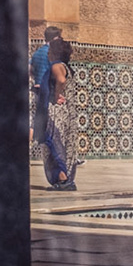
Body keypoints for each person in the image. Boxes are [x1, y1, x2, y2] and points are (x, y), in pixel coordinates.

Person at [42, 37, 79, 190]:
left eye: (50, 50)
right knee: (63, 143)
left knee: (54, 143)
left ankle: (63, 179)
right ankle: (65, 178)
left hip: (57, 111)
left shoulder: (56, 65)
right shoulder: (67, 67)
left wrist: (56, 95)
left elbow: (61, 81)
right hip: (68, 112)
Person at [30, 24, 61, 167]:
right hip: (49, 93)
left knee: (37, 125)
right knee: (54, 128)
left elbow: (30, 70)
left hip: (36, 92)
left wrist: (37, 79)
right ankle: (60, 159)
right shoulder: (53, 54)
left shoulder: (37, 53)